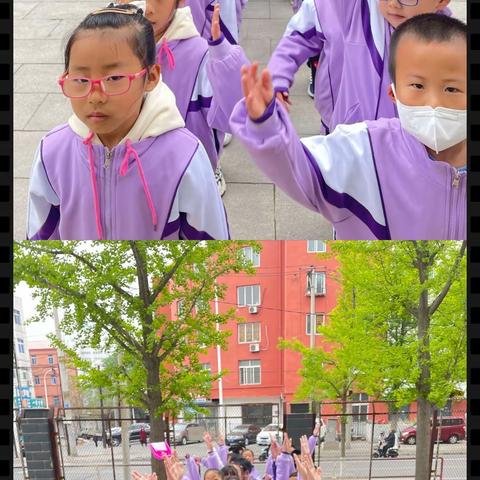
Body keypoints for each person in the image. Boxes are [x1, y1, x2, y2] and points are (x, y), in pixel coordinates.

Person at [230, 13, 466, 240]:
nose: (434, 104)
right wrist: (267, 126)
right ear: (393, 93)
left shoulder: (448, 38)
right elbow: (302, 170)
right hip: (341, 119)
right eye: (417, 86)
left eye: (452, 89)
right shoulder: (364, 151)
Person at [26, 4, 229, 240]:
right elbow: (40, 241)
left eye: (114, 78)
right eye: (81, 79)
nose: (95, 96)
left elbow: (210, 244)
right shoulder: (52, 153)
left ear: (151, 77)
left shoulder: (185, 157)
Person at [268, 0, 452, 134]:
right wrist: (276, 79)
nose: (394, 4)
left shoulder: (449, 41)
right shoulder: (349, 9)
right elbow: (298, 36)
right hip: (345, 134)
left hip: (411, 146)